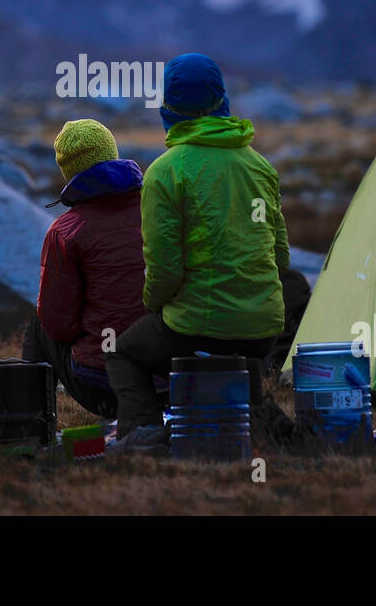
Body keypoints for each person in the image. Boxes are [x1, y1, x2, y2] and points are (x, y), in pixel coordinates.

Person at [106, 53, 288, 452]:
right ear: (223, 101)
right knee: (240, 351)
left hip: (200, 326)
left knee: (123, 355)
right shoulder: (260, 167)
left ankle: (144, 441)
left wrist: (152, 305)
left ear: (168, 108)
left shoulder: (165, 172)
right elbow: (281, 257)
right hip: (263, 329)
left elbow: (165, 270)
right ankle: (252, 426)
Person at [22, 119, 147, 419]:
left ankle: (29, 426)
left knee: (39, 326)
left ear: (68, 172)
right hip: (172, 377)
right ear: (113, 153)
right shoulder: (158, 209)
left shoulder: (66, 231)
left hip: (104, 387)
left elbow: (58, 325)